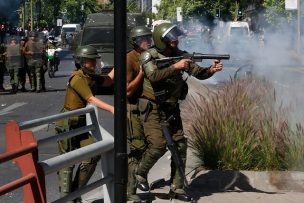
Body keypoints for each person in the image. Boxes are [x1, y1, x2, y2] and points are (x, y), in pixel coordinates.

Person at [137, 23, 223, 201]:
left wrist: (211, 71)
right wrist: (176, 67)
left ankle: (177, 188)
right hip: (152, 106)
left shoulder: (180, 55)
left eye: (176, 37)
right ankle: (139, 174)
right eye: (171, 38)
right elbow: (152, 76)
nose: (175, 40)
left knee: (180, 145)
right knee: (158, 145)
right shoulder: (149, 55)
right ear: (162, 40)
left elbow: (198, 73)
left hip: (171, 106)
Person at [55, 45, 114, 203]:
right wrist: (112, 109)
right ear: (81, 62)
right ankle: (66, 199)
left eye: (95, 60)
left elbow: (108, 81)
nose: (94, 63)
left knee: (92, 155)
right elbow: (91, 99)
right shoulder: (77, 78)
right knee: (67, 164)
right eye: (90, 60)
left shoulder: (90, 76)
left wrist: (120, 62)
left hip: (81, 124)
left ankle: (75, 193)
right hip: (67, 124)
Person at [126, 26, 153, 202]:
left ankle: (140, 177)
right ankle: (130, 190)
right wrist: (142, 73)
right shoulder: (129, 59)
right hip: (134, 108)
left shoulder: (150, 55)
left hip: (148, 108)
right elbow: (127, 91)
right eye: (143, 39)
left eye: (148, 38)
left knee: (153, 145)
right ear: (135, 42)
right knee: (137, 148)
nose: (147, 42)